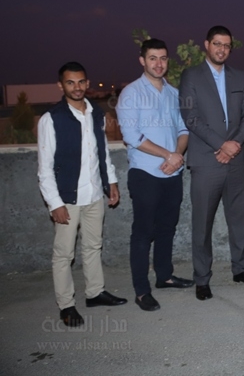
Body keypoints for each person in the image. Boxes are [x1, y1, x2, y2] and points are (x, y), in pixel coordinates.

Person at [37, 62, 127, 327]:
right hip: (67, 198)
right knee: (64, 254)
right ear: (61, 85)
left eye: (80, 82)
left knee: (93, 246)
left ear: (87, 83)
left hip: (94, 194)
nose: (76, 87)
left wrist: (111, 182)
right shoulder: (51, 119)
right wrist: (55, 203)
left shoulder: (96, 113)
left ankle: (95, 293)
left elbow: (102, 152)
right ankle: (66, 305)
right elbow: (44, 168)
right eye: (70, 82)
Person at [179, 25, 244, 301]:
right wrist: (221, 144)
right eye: (217, 44)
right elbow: (190, 117)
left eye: (226, 45)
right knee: (202, 224)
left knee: (239, 220)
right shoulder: (191, 76)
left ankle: (241, 269)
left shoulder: (239, 76)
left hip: (235, 160)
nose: (222, 49)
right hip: (206, 161)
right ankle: (202, 278)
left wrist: (233, 144)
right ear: (207, 44)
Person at [117, 39, 193, 312]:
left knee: (167, 228)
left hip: (172, 173)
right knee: (143, 232)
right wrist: (167, 155)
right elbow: (131, 135)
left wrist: (177, 156)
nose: (158, 64)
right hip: (145, 173)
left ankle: (165, 276)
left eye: (162, 58)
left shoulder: (173, 93)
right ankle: (141, 291)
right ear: (142, 61)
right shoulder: (131, 93)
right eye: (152, 58)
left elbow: (183, 130)